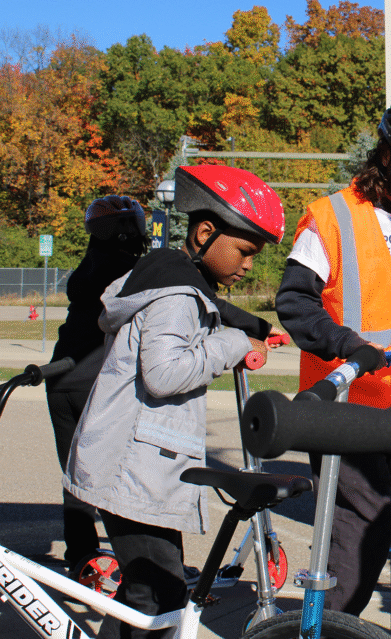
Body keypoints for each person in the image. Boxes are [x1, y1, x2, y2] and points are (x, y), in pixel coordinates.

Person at [63, 165, 285, 639]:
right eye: (245, 251)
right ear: (206, 233)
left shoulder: (177, 281)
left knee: (144, 597)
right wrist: (231, 345)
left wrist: (241, 334)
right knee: (160, 601)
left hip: (138, 465)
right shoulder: (176, 294)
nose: (249, 265)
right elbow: (164, 374)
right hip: (131, 469)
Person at [275, 99, 391, 616]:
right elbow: (294, 300)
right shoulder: (331, 216)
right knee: (363, 526)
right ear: (385, 155)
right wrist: (348, 346)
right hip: (340, 400)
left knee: (371, 528)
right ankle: (330, 626)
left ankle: (324, 620)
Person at [46, 196, 149, 572]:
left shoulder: (87, 268)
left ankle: (82, 556)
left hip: (59, 378)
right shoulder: (131, 271)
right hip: (95, 383)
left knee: (75, 473)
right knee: (114, 473)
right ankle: (137, 560)